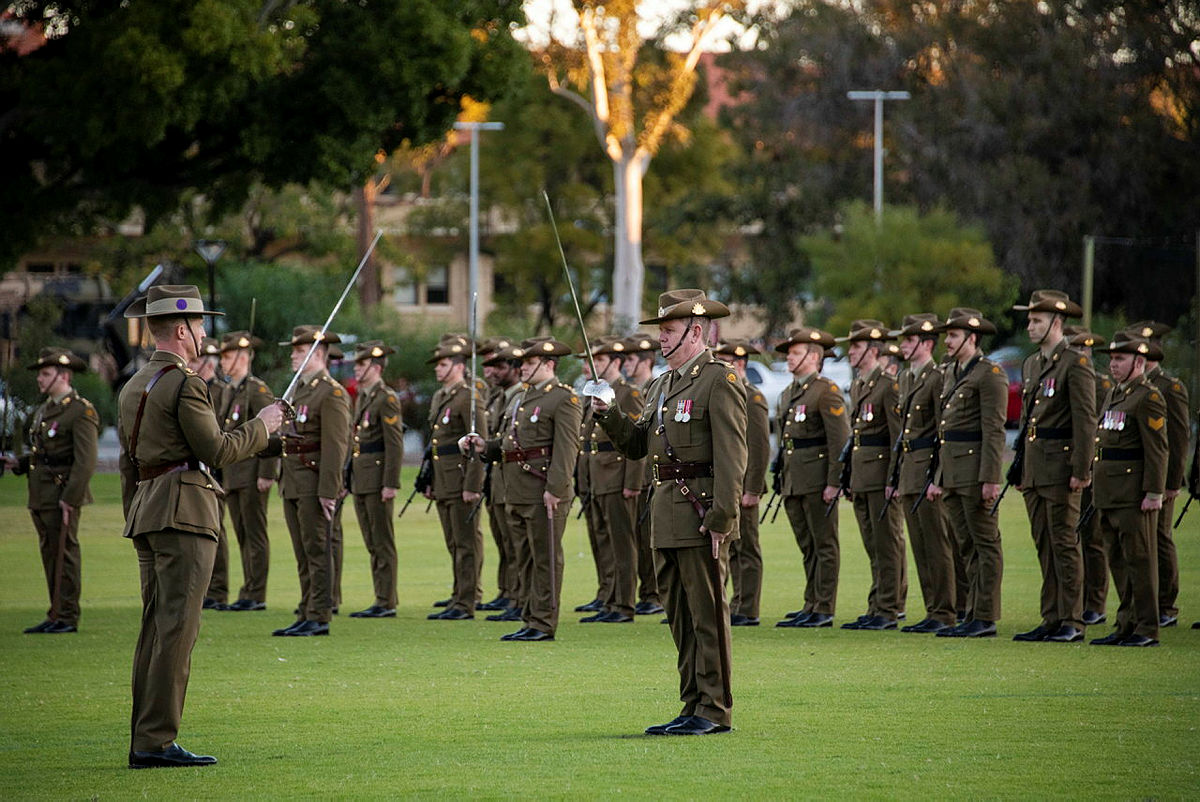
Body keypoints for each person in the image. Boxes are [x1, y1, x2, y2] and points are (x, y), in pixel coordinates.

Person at [118, 285, 283, 768]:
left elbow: (131, 465)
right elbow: (216, 451)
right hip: (183, 514)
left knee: (154, 629)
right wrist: (266, 424)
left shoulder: (134, 384)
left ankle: (144, 735)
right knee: (176, 632)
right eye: (201, 325)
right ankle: (155, 741)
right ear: (183, 329)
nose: (205, 333)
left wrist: (135, 512)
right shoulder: (185, 383)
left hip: (148, 511)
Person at [593, 289, 746, 735]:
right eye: (660, 331)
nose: (661, 340)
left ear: (695, 332)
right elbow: (638, 445)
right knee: (679, 616)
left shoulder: (720, 379)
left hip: (701, 516)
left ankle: (715, 710)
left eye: (669, 331)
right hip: (666, 516)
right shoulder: (661, 384)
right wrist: (608, 412)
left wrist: (722, 518)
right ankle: (692, 703)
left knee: (708, 614)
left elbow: (733, 457)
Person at [462, 336, 582, 642]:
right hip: (517, 489)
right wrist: (482, 446)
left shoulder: (563, 398)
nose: (522, 368)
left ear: (549, 364)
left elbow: (566, 450)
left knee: (545, 557)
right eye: (522, 363)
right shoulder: (524, 398)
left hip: (542, 489)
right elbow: (510, 443)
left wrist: (555, 489)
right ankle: (530, 617)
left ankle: (543, 622)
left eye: (528, 363)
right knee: (525, 558)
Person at [1009, 291, 1096, 643]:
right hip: (1035, 467)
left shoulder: (1074, 363)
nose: (1030, 327)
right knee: (1044, 543)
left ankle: (1072, 620)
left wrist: (1081, 470)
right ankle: (1051, 616)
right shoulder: (1033, 364)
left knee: (1064, 542)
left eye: (1036, 321)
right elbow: (1030, 420)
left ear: (1056, 323)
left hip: (1061, 467)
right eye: (1029, 320)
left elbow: (1085, 421)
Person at [5, 346, 99, 634]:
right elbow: (42, 453)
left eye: (45, 373)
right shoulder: (44, 410)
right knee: (50, 555)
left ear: (64, 375)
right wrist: (17, 463)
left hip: (62, 495)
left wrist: (71, 499)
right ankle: (55, 611)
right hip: (42, 495)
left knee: (64, 555)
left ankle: (67, 615)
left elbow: (85, 461)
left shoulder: (80, 411)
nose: (39, 379)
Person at [928, 308, 1008, 639]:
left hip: (976, 472)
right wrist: (938, 475)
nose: (947, 341)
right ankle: (972, 612)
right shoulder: (952, 372)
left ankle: (985, 616)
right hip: (953, 472)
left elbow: (994, 429)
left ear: (971, 338)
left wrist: (991, 477)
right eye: (947, 335)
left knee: (985, 543)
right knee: (966, 545)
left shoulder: (989, 374)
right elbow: (944, 430)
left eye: (954, 336)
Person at [1089, 331, 1168, 647]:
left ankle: (1147, 627)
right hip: (1110, 492)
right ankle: (1126, 623)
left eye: (1120, 359)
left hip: (1133, 494)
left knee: (1140, 560)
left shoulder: (1147, 397)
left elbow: (1157, 450)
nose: (1113, 365)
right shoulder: (1115, 394)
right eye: (1111, 359)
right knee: (1119, 561)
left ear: (1139, 361)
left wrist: (1154, 492)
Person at [273, 325, 351, 637]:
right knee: (303, 553)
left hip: (313, 482)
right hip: (292, 481)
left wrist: (329, 491)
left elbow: (336, 447)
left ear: (317, 354)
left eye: (299, 351)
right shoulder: (299, 391)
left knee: (318, 551)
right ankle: (307, 609)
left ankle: (319, 614)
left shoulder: (330, 393)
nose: (293, 356)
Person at [774, 326, 848, 629]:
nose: (789, 358)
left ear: (813, 356)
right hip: (795, 479)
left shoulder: (825, 391)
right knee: (808, 546)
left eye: (794, 352)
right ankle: (811, 602)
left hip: (818, 481)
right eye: (789, 353)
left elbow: (839, 442)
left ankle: (824, 607)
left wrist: (834, 481)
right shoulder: (788, 393)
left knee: (824, 545)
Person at [887, 314, 957, 634]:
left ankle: (945, 610)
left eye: (909, 340)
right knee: (919, 544)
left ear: (927, 344)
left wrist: (938, 476)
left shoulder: (937, 376)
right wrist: (895, 477)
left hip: (928, 467)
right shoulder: (906, 378)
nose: (902, 345)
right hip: (910, 469)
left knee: (938, 544)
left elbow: (943, 429)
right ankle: (932, 608)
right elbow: (901, 434)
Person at [837, 320, 906, 631]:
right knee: (872, 546)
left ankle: (889, 608)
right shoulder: (860, 385)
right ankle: (877, 604)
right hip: (863, 477)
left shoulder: (888, 386)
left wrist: (893, 479)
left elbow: (895, 438)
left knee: (887, 544)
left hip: (880, 477)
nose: (850, 351)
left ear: (873, 349)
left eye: (856, 346)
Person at [1124, 321, 1189, 628]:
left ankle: (1166, 604)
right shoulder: (1130, 387)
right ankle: (1144, 605)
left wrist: (1172, 482)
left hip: (1161, 480)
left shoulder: (1168, 387)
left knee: (1160, 539)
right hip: (1136, 478)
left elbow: (1176, 441)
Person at [578, 335, 645, 624]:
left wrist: (632, 482)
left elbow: (636, 438)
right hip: (596, 475)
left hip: (617, 475)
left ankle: (624, 603)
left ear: (615, 362)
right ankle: (608, 597)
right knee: (602, 542)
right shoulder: (593, 392)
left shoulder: (626, 392)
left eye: (599, 360)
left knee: (622, 543)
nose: (590, 366)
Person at [217, 331, 279, 612]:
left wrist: (267, 472)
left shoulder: (256, 389)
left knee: (254, 534)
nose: (222, 363)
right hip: (234, 473)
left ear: (243, 358)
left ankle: (256, 592)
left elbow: (270, 432)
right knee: (242, 532)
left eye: (227, 357)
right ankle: (247, 589)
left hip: (252, 472)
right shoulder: (231, 390)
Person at [425, 334, 486, 620]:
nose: (438, 369)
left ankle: (467, 601)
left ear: (459, 366)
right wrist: (429, 479)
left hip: (461, 478)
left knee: (466, 543)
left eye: (444, 364)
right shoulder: (441, 396)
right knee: (453, 542)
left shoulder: (469, 397)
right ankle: (458, 594)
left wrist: (473, 484)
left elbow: (477, 442)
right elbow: (436, 442)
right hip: (443, 478)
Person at [346, 341, 404, 618]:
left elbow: (394, 444)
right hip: (362, 478)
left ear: (376, 367)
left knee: (382, 541)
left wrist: (390, 483)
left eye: (361, 364)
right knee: (371, 540)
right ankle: (382, 597)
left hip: (378, 478)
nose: (356, 368)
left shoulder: (385, 397)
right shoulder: (364, 396)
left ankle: (386, 600)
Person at [714, 339, 769, 627]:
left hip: (744, 485)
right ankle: (735, 603)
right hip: (729, 485)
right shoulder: (727, 394)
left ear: (740, 364)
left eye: (726, 361)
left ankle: (748, 607)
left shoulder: (752, 397)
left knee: (746, 547)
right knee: (731, 547)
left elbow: (758, 447)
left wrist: (753, 488)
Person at [1065, 326, 1114, 625]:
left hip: (1091, 468)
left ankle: (1095, 602)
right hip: (1067, 464)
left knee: (1092, 536)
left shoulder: (1102, 385)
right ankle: (1077, 600)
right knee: (1072, 536)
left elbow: (1098, 429)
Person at [480, 342, 527, 623]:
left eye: (499, 366)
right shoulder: (501, 397)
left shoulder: (518, 396)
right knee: (505, 543)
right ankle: (510, 592)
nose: (493, 371)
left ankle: (519, 597)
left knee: (517, 544)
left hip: (513, 479)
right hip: (498, 478)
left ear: (515, 369)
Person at [190, 337, 232, 611]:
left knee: (217, 529)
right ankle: (205, 588)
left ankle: (218, 589)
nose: (191, 364)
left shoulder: (221, 392)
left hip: (218, 468)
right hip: (197, 468)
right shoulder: (194, 389)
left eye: (196, 360)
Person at [623, 333, 663, 616]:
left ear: (646, 361)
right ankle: (648, 592)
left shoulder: (653, 389)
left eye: (631, 359)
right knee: (638, 538)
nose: (626, 364)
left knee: (649, 540)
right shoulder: (639, 389)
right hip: (644, 474)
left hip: (651, 476)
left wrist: (635, 481)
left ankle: (653, 593)